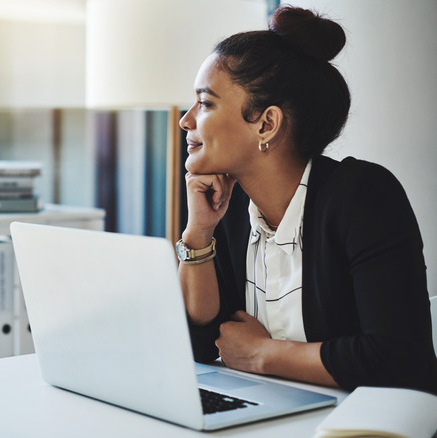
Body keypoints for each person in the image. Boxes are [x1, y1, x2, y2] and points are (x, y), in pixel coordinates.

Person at [177, 5, 437, 395]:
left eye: (207, 103)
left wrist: (265, 354)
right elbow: (197, 343)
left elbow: (400, 360)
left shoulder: (364, 196)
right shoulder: (227, 211)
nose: (187, 119)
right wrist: (199, 233)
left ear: (266, 123)